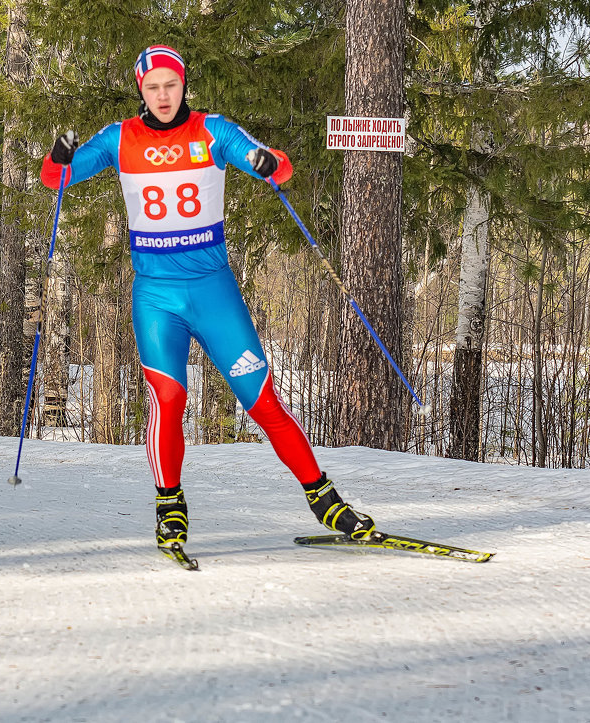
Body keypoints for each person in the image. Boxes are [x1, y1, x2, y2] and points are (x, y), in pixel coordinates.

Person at [41, 45, 375, 557]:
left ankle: (325, 500)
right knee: (169, 400)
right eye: (152, 88)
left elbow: (275, 167)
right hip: (157, 299)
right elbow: (56, 179)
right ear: (141, 91)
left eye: (170, 85)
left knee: (262, 401)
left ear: (182, 85)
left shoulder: (211, 130)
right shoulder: (119, 138)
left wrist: (267, 163)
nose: (162, 96)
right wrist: (59, 156)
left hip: (214, 292)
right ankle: (169, 504)